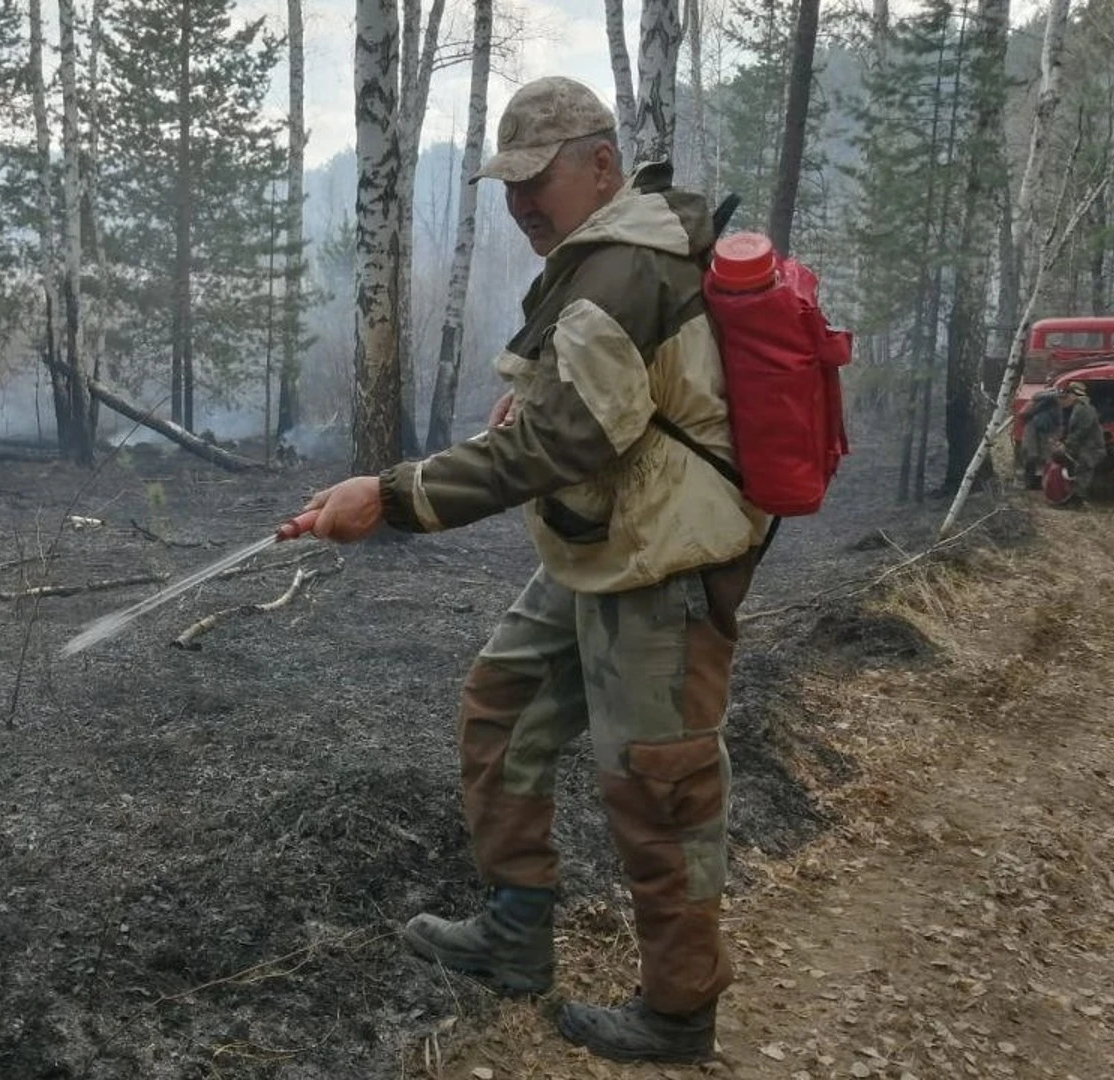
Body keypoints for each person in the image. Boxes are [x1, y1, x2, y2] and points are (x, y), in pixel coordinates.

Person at [300, 76, 768, 1065]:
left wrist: (387, 496)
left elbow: (562, 447)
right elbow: (583, 411)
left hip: (664, 566)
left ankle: (679, 1013)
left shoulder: (621, 273)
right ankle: (515, 931)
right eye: (507, 185)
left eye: (535, 180)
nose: (519, 204)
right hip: (607, 548)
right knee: (502, 706)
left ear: (600, 165)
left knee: (659, 785)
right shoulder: (601, 261)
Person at [1053, 381, 1104, 503]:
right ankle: (1075, 497)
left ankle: (1079, 500)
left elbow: (1081, 431)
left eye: (1068, 395)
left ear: (1073, 395)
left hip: (1091, 448)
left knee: (1083, 472)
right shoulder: (1079, 408)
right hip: (1086, 446)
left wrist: (1066, 444)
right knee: (1080, 470)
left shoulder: (1084, 409)